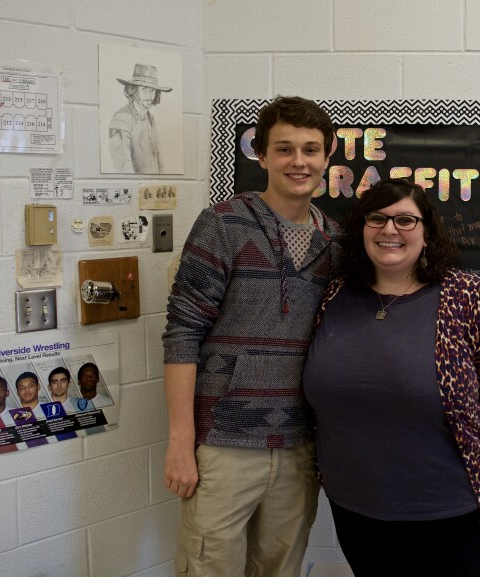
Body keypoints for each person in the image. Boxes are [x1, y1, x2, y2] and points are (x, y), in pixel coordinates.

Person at [302, 178, 480, 577]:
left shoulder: (471, 298)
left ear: (427, 233)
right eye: (378, 219)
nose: (390, 230)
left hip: (454, 516)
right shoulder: (334, 296)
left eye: (406, 220)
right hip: (356, 511)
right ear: (362, 229)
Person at [162, 96, 340, 577]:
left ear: (328, 156)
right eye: (284, 149)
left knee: (280, 569)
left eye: (310, 149)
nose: (298, 162)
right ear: (260, 155)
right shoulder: (221, 224)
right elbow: (182, 335)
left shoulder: (337, 242)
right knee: (207, 568)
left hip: (299, 446)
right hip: (222, 441)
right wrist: (181, 442)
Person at [109, 63, 172, 174]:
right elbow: (123, 166)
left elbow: (158, 159)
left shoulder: (150, 118)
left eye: (152, 90)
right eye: (144, 89)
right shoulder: (121, 119)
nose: (149, 95)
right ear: (133, 90)